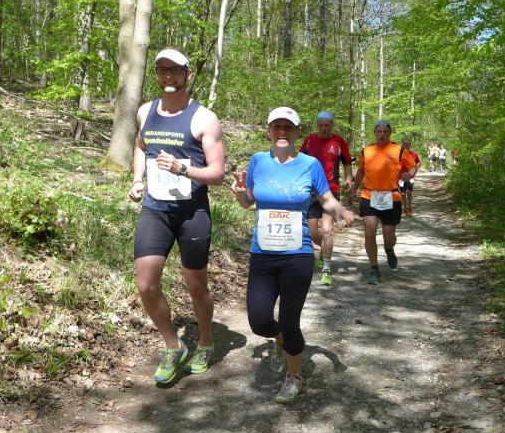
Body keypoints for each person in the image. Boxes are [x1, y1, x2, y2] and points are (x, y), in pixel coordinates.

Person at [231, 107, 354, 403]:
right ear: (269, 131)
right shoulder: (258, 161)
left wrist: (341, 210)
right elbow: (249, 200)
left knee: (289, 319)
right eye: (277, 126)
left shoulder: (310, 164)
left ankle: (294, 374)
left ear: (298, 132)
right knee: (259, 321)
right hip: (263, 253)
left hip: (297, 254)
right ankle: (280, 340)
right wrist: (240, 192)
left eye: (288, 127)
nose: (282, 131)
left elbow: (326, 199)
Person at [128, 48, 226, 384]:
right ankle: (174, 346)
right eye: (162, 70)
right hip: (156, 209)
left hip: (191, 212)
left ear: (187, 74)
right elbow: (141, 146)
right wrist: (137, 180)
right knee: (146, 284)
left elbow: (218, 174)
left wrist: (183, 169)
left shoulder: (204, 119)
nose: (168, 76)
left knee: (196, 287)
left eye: (175, 70)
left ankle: (206, 342)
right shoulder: (146, 112)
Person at [351, 120, 417, 285]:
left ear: (390, 133)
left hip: (391, 197)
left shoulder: (399, 150)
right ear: (375, 133)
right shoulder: (366, 151)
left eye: (385, 132)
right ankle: (374, 269)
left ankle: (389, 249)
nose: (382, 134)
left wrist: (409, 174)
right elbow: (361, 171)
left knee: (389, 236)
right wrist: (354, 188)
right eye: (379, 131)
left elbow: (413, 166)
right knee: (369, 232)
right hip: (369, 196)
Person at [299, 110, 353, 286]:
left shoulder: (338, 142)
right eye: (321, 125)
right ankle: (324, 249)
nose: (324, 128)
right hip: (311, 192)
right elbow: (299, 162)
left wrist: (348, 179)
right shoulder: (309, 141)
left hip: (331, 190)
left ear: (331, 125)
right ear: (317, 125)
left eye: (327, 125)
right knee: (313, 232)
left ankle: (327, 270)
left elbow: (347, 163)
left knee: (328, 229)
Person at [398, 136, 421, 216]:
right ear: (402, 144)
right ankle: (405, 208)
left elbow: (418, 162)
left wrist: (415, 168)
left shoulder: (413, 154)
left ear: (410, 145)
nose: (406, 145)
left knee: (409, 192)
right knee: (402, 193)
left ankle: (409, 207)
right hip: (401, 176)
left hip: (410, 176)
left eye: (408, 144)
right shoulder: (399, 154)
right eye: (405, 144)